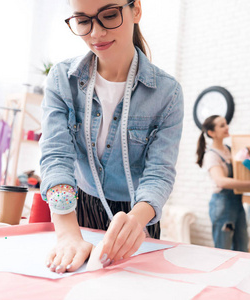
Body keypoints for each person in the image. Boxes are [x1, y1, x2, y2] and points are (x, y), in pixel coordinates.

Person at [40, 0, 184, 273]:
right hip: (75, 207)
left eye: (109, 15)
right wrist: (68, 235)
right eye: (83, 21)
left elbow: (159, 172)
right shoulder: (62, 79)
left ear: (136, 10)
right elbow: (56, 154)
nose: (96, 33)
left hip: (139, 213)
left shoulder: (168, 93)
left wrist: (137, 220)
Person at [196, 115, 250, 251]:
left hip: (237, 204)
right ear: (211, 133)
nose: (227, 127)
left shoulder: (229, 149)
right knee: (223, 251)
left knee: (242, 248)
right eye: (222, 126)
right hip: (222, 206)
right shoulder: (211, 155)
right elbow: (221, 181)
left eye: (226, 124)